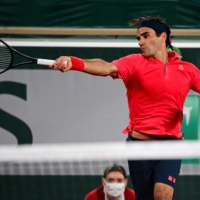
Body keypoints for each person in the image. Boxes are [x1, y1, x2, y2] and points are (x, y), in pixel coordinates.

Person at [49, 15, 200, 200]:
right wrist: (75, 62)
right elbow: (106, 68)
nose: (141, 42)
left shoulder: (188, 69)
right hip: (139, 145)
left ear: (163, 37)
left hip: (171, 145)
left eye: (146, 36)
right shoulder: (134, 62)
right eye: (138, 38)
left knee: (163, 194)